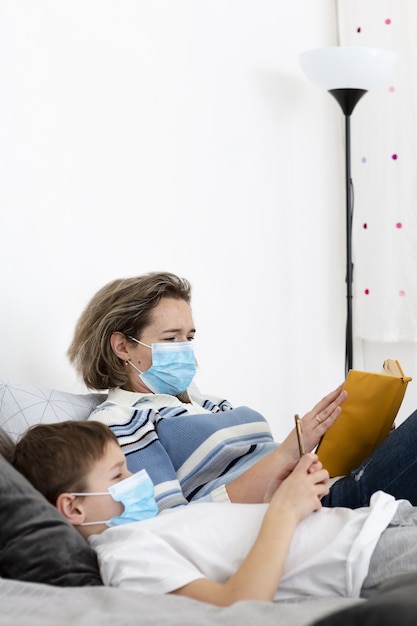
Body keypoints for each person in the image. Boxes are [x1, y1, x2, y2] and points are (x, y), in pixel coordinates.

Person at [67, 271, 417, 511]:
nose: (185, 348)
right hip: (304, 509)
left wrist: (358, 436)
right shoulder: (121, 422)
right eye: (171, 338)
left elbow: (265, 464)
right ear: (122, 347)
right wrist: (292, 447)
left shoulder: (208, 403)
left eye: (189, 337)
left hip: (323, 482)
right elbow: (175, 523)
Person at [11, 420, 417, 606]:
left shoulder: (147, 530)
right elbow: (236, 603)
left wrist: (277, 496)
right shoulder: (122, 555)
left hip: (380, 522)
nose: (137, 478)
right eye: (119, 473)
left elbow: (229, 547)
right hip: (368, 555)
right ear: (73, 507)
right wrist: (283, 511)